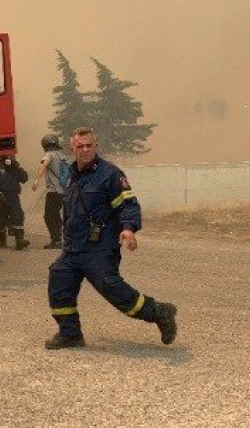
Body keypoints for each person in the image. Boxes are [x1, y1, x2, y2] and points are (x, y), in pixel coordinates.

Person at [45, 127, 178, 349]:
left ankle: (160, 312)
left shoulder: (110, 174)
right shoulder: (70, 175)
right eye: (80, 146)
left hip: (99, 248)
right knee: (59, 284)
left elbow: (128, 203)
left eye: (89, 145)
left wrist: (128, 228)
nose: (85, 150)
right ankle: (70, 334)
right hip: (72, 248)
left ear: (95, 146)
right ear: (72, 149)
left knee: (117, 294)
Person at [31, 133, 67, 249]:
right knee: (56, 214)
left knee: (49, 216)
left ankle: (56, 240)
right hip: (63, 190)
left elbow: (43, 164)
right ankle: (59, 238)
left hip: (53, 191)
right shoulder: (62, 156)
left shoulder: (48, 155)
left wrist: (36, 179)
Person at [0, 155, 30, 250]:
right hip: (1, 198)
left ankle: (19, 241)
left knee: (18, 216)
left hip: (13, 196)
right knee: (1, 220)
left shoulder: (15, 168)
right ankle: (2, 241)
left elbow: (24, 179)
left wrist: (18, 168)